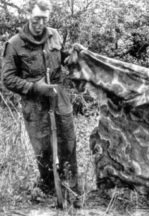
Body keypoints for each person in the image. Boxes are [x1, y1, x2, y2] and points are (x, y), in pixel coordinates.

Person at [1, 0, 82, 207]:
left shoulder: (54, 34)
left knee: (68, 143)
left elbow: (62, 58)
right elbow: (8, 79)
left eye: (44, 19)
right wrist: (35, 87)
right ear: (28, 14)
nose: (40, 23)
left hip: (59, 97)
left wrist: (72, 57)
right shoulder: (14, 44)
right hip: (34, 104)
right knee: (43, 150)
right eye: (36, 18)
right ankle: (47, 190)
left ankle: (73, 191)